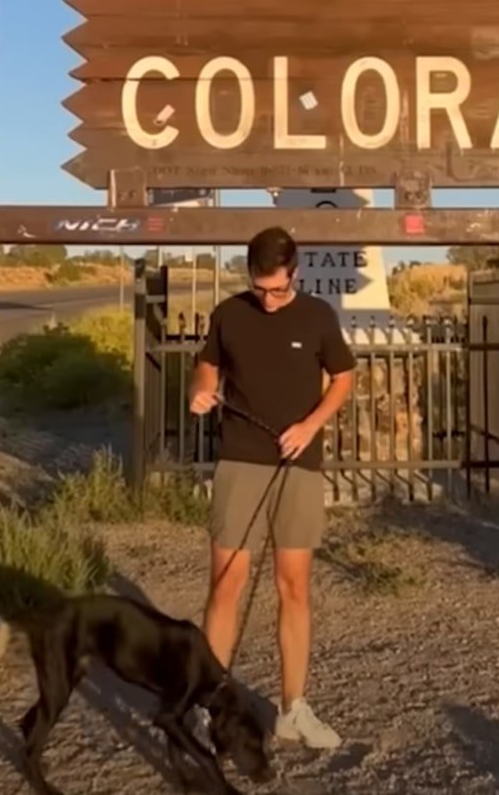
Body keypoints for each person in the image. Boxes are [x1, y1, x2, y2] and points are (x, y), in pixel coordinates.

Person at [189, 226, 355, 750]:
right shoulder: (229, 313)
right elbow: (206, 365)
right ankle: (207, 707)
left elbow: (344, 378)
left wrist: (310, 425)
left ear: (296, 273)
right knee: (226, 585)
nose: (268, 299)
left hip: (298, 466)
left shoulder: (318, 317)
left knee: (294, 588)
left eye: (278, 289)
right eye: (260, 288)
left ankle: (293, 709)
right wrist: (201, 390)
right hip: (241, 460)